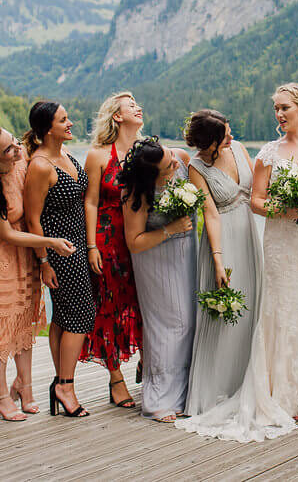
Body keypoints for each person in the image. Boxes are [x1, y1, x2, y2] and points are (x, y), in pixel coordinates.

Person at [177, 82, 298, 441]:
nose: (280, 114)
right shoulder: (268, 153)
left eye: (285, 107)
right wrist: (286, 210)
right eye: (276, 108)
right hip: (281, 240)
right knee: (279, 311)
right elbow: (256, 201)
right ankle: (279, 395)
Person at [0, 124, 75, 421]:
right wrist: (49, 242)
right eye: (8, 149)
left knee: (24, 321)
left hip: (26, 254)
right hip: (0, 253)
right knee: (1, 325)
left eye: (14, 142)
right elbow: (8, 235)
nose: (16, 150)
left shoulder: (22, 160)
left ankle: (24, 386)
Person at [183, 110, 263, 416]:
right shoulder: (197, 167)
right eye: (225, 135)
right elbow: (210, 214)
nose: (231, 137)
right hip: (223, 240)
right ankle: (217, 389)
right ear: (210, 143)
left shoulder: (240, 149)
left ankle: (249, 383)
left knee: (252, 309)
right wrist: (218, 260)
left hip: (252, 232)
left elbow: (259, 188)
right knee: (226, 313)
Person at [23, 101, 96, 418]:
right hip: (58, 251)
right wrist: (44, 261)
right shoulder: (39, 165)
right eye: (63, 120)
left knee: (65, 317)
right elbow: (32, 219)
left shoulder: (66, 156)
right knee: (81, 314)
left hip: (77, 244)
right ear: (46, 128)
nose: (70, 123)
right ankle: (65, 386)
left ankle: (60, 383)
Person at [120, 137, 198, 422]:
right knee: (167, 326)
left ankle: (187, 393)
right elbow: (134, 242)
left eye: (170, 156)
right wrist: (171, 229)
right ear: (151, 176)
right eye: (168, 165)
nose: (175, 162)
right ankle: (159, 399)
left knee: (190, 321)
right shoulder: (135, 194)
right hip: (154, 258)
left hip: (187, 251)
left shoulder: (181, 159)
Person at [81, 92, 145, 409]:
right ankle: (116, 379)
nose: (139, 108)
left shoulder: (146, 152)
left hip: (143, 238)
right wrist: (91, 245)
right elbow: (90, 201)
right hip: (107, 238)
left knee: (144, 302)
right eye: (131, 106)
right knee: (110, 307)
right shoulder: (98, 155)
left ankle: (148, 361)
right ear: (117, 116)